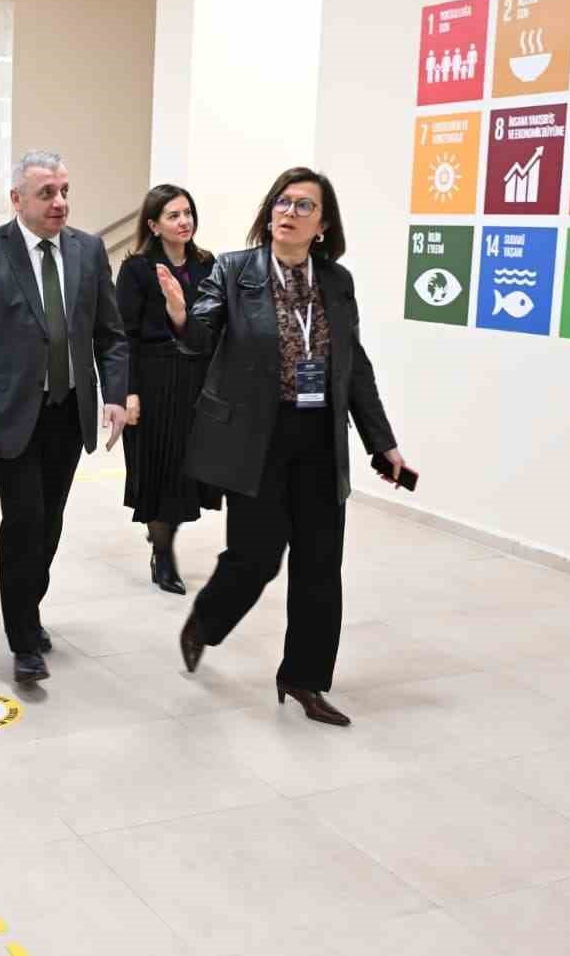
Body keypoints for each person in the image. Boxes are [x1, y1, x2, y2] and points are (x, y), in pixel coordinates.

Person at [156, 167, 408, 727]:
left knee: (321, 565)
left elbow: (353, 367)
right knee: (256, 558)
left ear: (323, 225)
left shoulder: (336, 282)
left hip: (320, 438)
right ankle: (206, 621)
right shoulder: (235, 270)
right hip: (257, 437)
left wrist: (382, 442)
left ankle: (304, 678)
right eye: (282, 202)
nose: (289, 213)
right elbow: (200, 336)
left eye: (304, 205)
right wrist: (178, 313)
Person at [0, 150, 128, 684]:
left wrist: (115, 394)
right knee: (24, 520)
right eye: (47, 193)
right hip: (10, 415)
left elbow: (110, 333)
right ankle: (23, 638)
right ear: (17, 199)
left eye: (64, 191)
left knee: (50, 522)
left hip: (68, 412)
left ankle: (28, 605)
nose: (60, 203)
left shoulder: (88, 250)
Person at [115, 185, 219, 594]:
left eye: (187, 213)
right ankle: (163, 553)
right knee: (160, 473)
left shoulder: (207, 265)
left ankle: (163, 534)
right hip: (153, 380)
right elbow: (124, 335)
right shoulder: (137, 269)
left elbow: (215, 327)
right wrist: (128, 392)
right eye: (173, 215)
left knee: (186, 473)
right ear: (154, 225)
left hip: (196, 379)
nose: (184, 221)